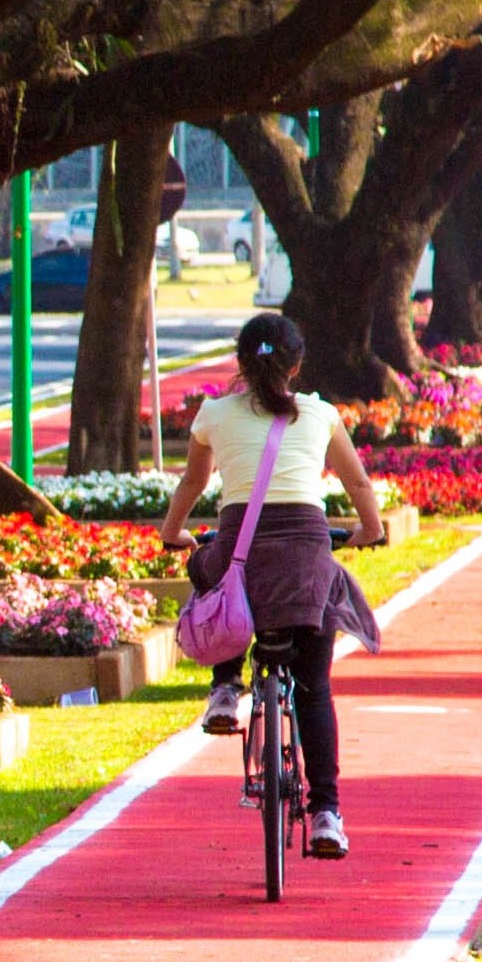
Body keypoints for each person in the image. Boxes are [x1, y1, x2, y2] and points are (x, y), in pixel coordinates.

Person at [160, 311, 383, 859]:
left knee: (212, 576)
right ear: (298, 364)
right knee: (314, 688)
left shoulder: (214, 414)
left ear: (241, 362)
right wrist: (370, 530)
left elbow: (193, 480)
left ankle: (225, 686)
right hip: (307, 559)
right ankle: (326, 812)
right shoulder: (321, 414)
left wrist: (173, 533)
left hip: (243, 554)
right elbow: (356, 480)